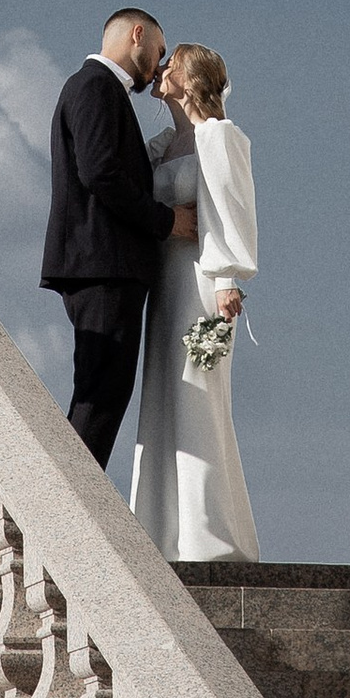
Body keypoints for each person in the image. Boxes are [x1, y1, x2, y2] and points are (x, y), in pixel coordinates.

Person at [42, 7, 195, 468]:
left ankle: (71, 502)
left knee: (102, 389)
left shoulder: (98, 89)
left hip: (103, 265)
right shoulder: (93, 86)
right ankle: (70, 511)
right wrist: (166, 222)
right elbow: (101, 173)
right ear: (137, 35)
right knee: (102, 392)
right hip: (103, 265)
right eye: (160, 52)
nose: (159, 65)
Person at [128, 37, 259, 562]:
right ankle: (161, 534)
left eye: (171, 64)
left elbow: (231, 204)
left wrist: (228, 277)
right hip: (163, 285)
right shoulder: (162, 146)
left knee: (197, 397)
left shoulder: (219, 136)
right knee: (164, 396)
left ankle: (208, 538)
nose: (160, 70)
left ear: (192, 77)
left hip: (201, 283)